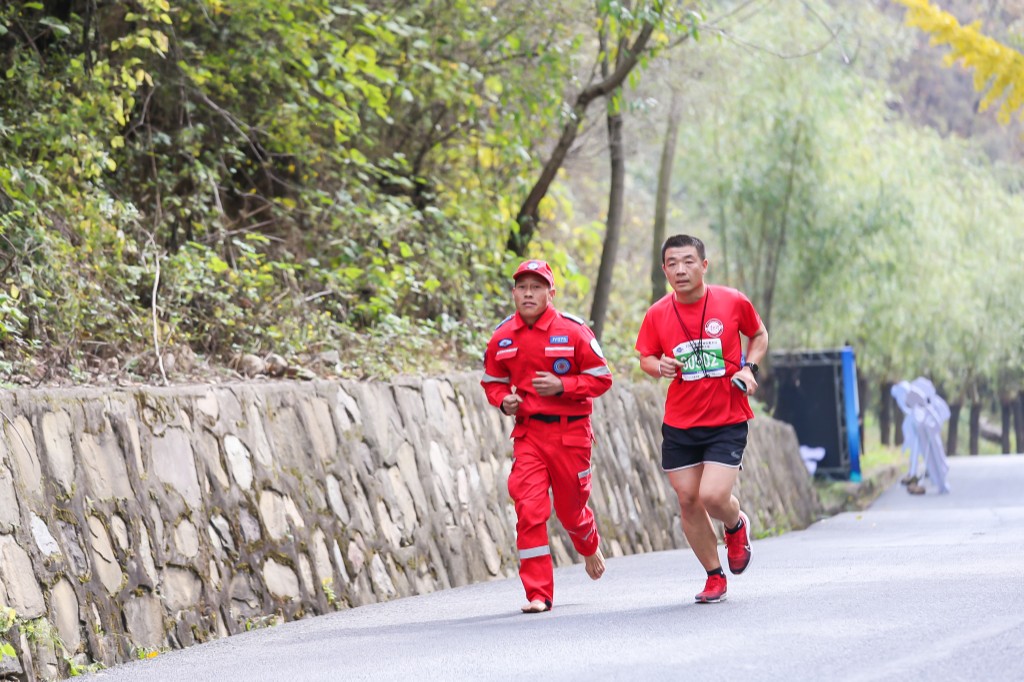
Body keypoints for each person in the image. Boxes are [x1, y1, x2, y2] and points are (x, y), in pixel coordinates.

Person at [635, 234, 768, 603]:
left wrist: (749, 368)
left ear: (704, 265)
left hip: (727, 417)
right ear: (664, 270)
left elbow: (758, 334)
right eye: (672, 263)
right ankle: (714, 576)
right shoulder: (657, 313)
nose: (680, 270)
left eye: (688, 261)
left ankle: (735, 524)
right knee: (689, 500)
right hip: (680, 422)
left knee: (712, 495)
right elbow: (645, 356)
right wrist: (658, 366)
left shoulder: (732, 300)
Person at [481, 259, 613, 613]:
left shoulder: (573, 331)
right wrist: (503, 400)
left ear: (550, 293)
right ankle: (538, 593)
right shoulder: (502, 336)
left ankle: (588, 544)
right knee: (529, 509)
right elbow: (492, 380)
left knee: (571, 512)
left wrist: (563, 385)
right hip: (529, 435)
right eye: (522, 287)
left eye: (536, 287)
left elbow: (602, 378)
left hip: (571, 434)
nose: (528, 293)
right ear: (514, 293)